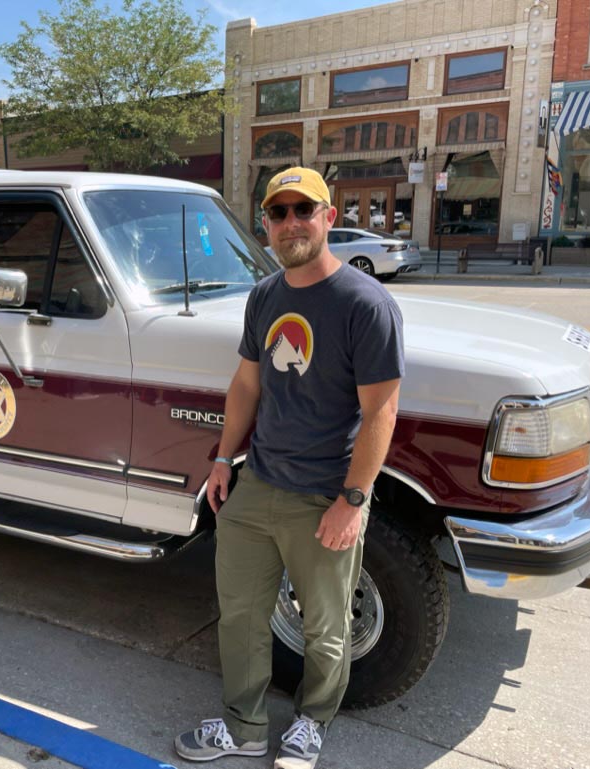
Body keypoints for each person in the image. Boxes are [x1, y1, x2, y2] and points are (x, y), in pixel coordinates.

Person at [175, 167, 403, 769]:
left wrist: (352, 501)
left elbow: (381, 410)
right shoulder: (266, 296)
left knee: (324, 625)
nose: (291, 222)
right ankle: (244, 725)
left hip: (325, 495)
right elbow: (247, 383)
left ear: (329, 218)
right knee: (241, 614)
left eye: (305, 209)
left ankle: (312, 722)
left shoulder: (365, 303)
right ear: (267, 226)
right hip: (258, 484)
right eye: (278, 213)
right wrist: (224, 459)